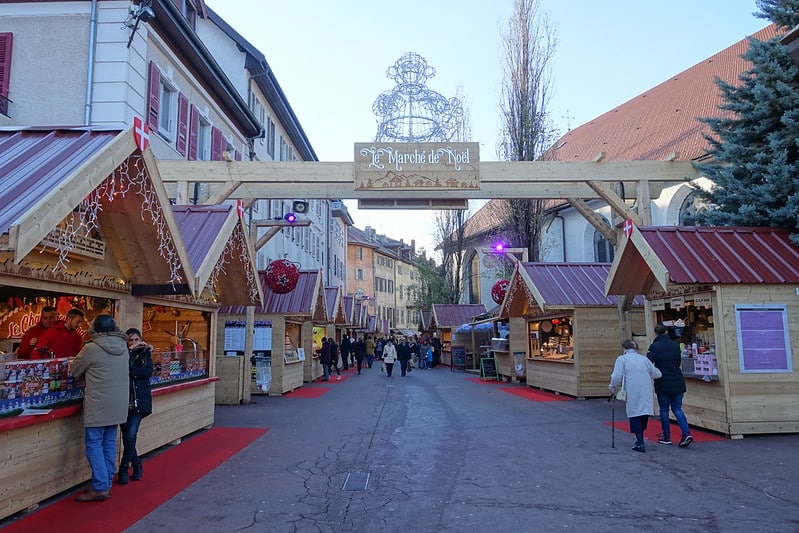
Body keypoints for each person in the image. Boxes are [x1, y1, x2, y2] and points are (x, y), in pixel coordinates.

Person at [68, 315, 129, 501]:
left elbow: (75, 371)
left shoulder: (91, 348)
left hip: (98, 403)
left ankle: (101, 486)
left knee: (94, 443)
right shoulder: (123, 347)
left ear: (95, 329)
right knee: (109, 442)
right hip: (118, 403)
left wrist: (72, 362)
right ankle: (105, 480)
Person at [609, 339, 662, 453]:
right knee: (643, 413)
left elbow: (617, 376)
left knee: (635, 413)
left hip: (632, 389)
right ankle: (640, 440)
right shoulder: (644, 359)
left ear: (624, 348)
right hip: (646, 389)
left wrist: (612, 385)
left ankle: (640, 442)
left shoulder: (622, 359)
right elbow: (656, 373)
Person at [647, 324, 694, 447]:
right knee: (677, 409)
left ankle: (667, 436)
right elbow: (678, 361)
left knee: (664, 409)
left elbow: (648, 363)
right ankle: (686, 432)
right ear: (666, 331)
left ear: (655, 333)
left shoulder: (654, 347)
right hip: (677, 379)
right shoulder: (675, 344)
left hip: (662, 380)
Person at [117, 328, 153, 485]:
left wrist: (132, 371)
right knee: (127, 436)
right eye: (130, 340)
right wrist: (129, 354)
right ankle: (137, 465)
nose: (132, 343)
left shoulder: (146, 353)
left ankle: (124, 467)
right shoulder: (122, 354)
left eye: (135, 340)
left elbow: (147, 373)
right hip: (123, 401)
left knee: (130, 434)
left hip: (139, 401)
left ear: (141, 340)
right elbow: (121, 371)